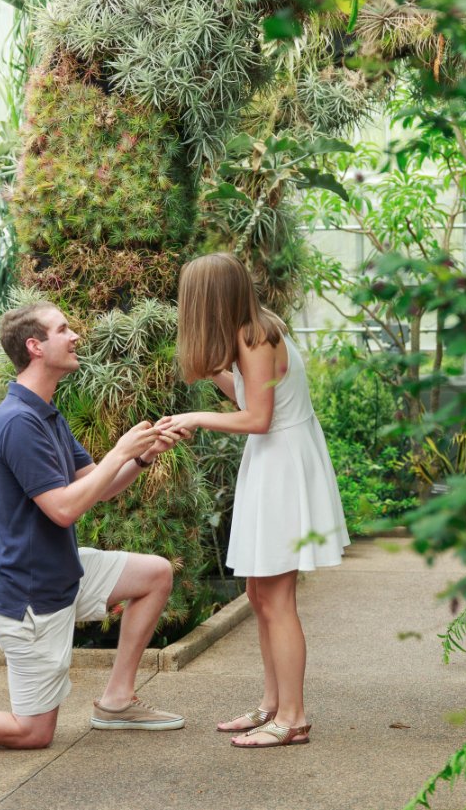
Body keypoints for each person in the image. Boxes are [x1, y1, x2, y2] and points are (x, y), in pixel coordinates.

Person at [0, 302, 187, 749]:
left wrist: (142, 456)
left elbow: (97, 487)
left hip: (61, 573)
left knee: (155, 573)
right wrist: (121, 451)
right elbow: (63, 510)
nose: (75, 336)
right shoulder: (19, 422)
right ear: (35, 346)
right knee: (32, 733)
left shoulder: (45, 413)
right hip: (29, 599)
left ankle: (117, 701)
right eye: (63, 329)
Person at [157, 253, 350, 748]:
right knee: (259, 595)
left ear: (208, 299)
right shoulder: (252, 333)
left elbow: (258, 418)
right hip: (273, 461)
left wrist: (195, 418)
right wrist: (216, 375)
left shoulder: (255, 336)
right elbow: (252, 399)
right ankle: (272, 705)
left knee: (278, 598)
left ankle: (293, 718)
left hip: (281, 462)